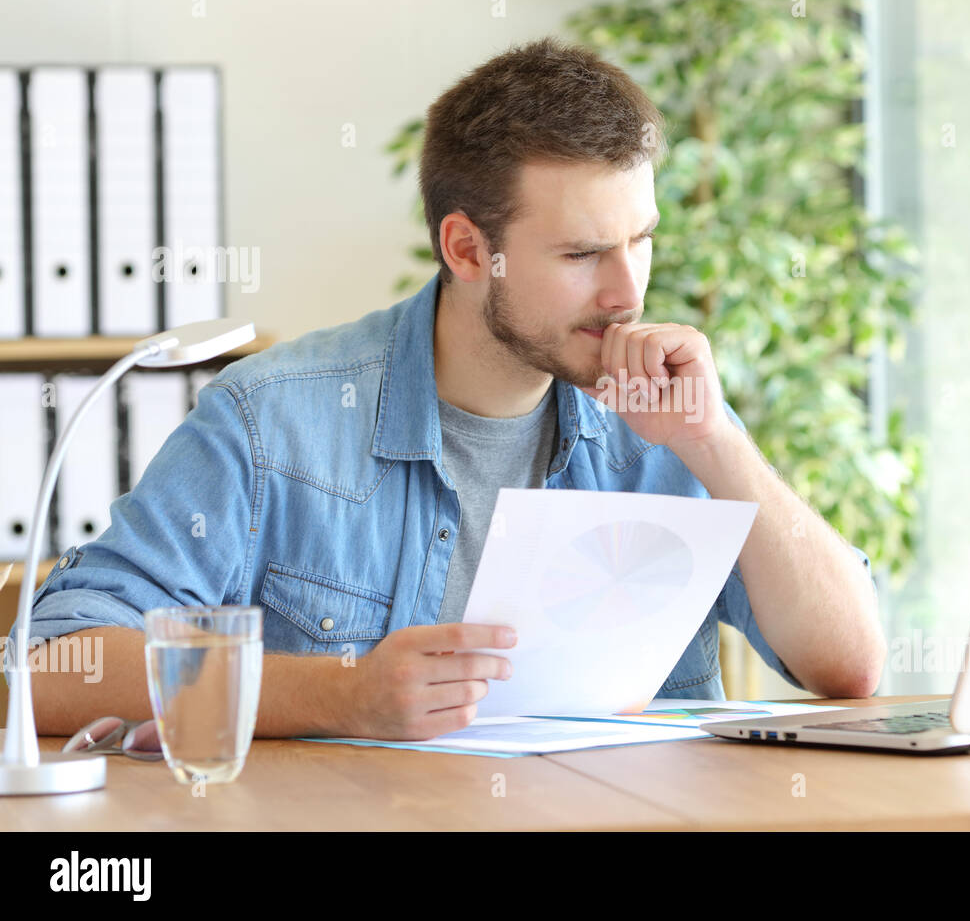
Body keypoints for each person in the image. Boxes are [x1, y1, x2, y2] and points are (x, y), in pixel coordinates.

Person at [15, 38, 884, 742]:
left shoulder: (669, 411)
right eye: (581, 255)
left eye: (642, 239)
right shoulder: (270, 420)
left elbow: (849, 668)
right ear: (468, 250)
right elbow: (54, 664)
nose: (629, 292)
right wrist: (340, 693)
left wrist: (715, 445)